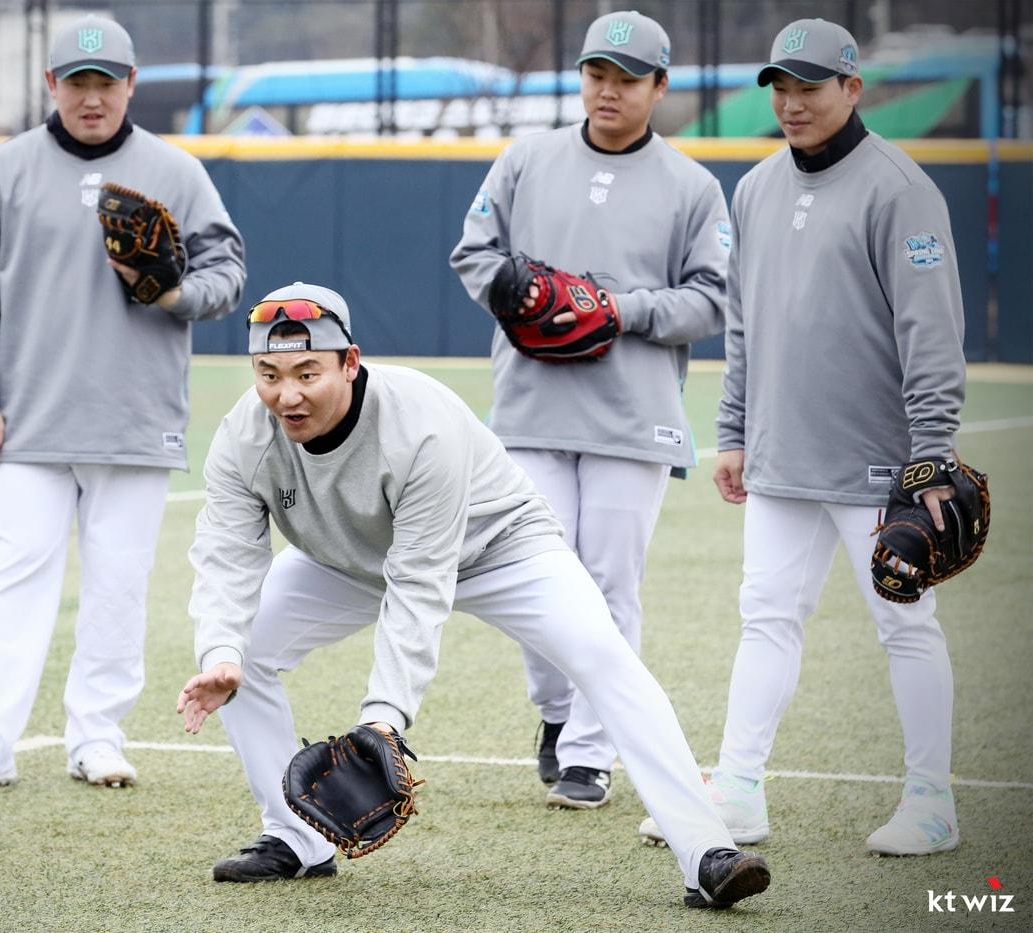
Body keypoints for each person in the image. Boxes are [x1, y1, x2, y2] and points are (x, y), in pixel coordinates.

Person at [175, 282, 769, 909]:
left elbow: (419, 580)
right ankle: (295, 839)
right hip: (348, 559)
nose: (286, 395)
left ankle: (706, 852)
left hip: (499, 547)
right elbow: (225, 555)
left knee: (605, 657)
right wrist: (221, 651)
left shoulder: (420, 424)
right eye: (268, 374)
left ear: (350, 363)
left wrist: (385, 715)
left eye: (306, 372)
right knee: (238, 659)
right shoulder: (244, 435)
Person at [639, 18, 968, 856]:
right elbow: (744, 327)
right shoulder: (754, 189)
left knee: (906, 625)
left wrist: (929, 455)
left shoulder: (902, 190)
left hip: (879, 464)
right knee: (766, 617)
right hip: (782, 458)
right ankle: (739, 791)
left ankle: (933, 800)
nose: (791, 103)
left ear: (852, 89)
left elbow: (933, 336)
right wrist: (736, 432)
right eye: (780, 87)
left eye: (809, 86)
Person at [0, 14, 245, 791]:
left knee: (117, 584)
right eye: (79, 83)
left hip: (135, 421)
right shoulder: (2, 170)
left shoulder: (175, 169)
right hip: (29, 422)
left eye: (107, 83)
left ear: (132, 85)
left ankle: (96, 736)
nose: (93, 98)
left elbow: (227, 269)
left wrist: (177, 293)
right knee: (18, 574)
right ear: (52, 86)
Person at [449, 10, 728, 809]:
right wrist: (510, 287)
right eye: (597, 74)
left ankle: (590, 753)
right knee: (534, 577)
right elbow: (474, 253)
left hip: (632, 414)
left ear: (659, 87)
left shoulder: (692, 186)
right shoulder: (527, 158)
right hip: (532, 404)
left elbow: (710, 299)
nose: (608, 90)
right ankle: (557, 711)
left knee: (609, 584)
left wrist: (619, 307)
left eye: (628, 78)